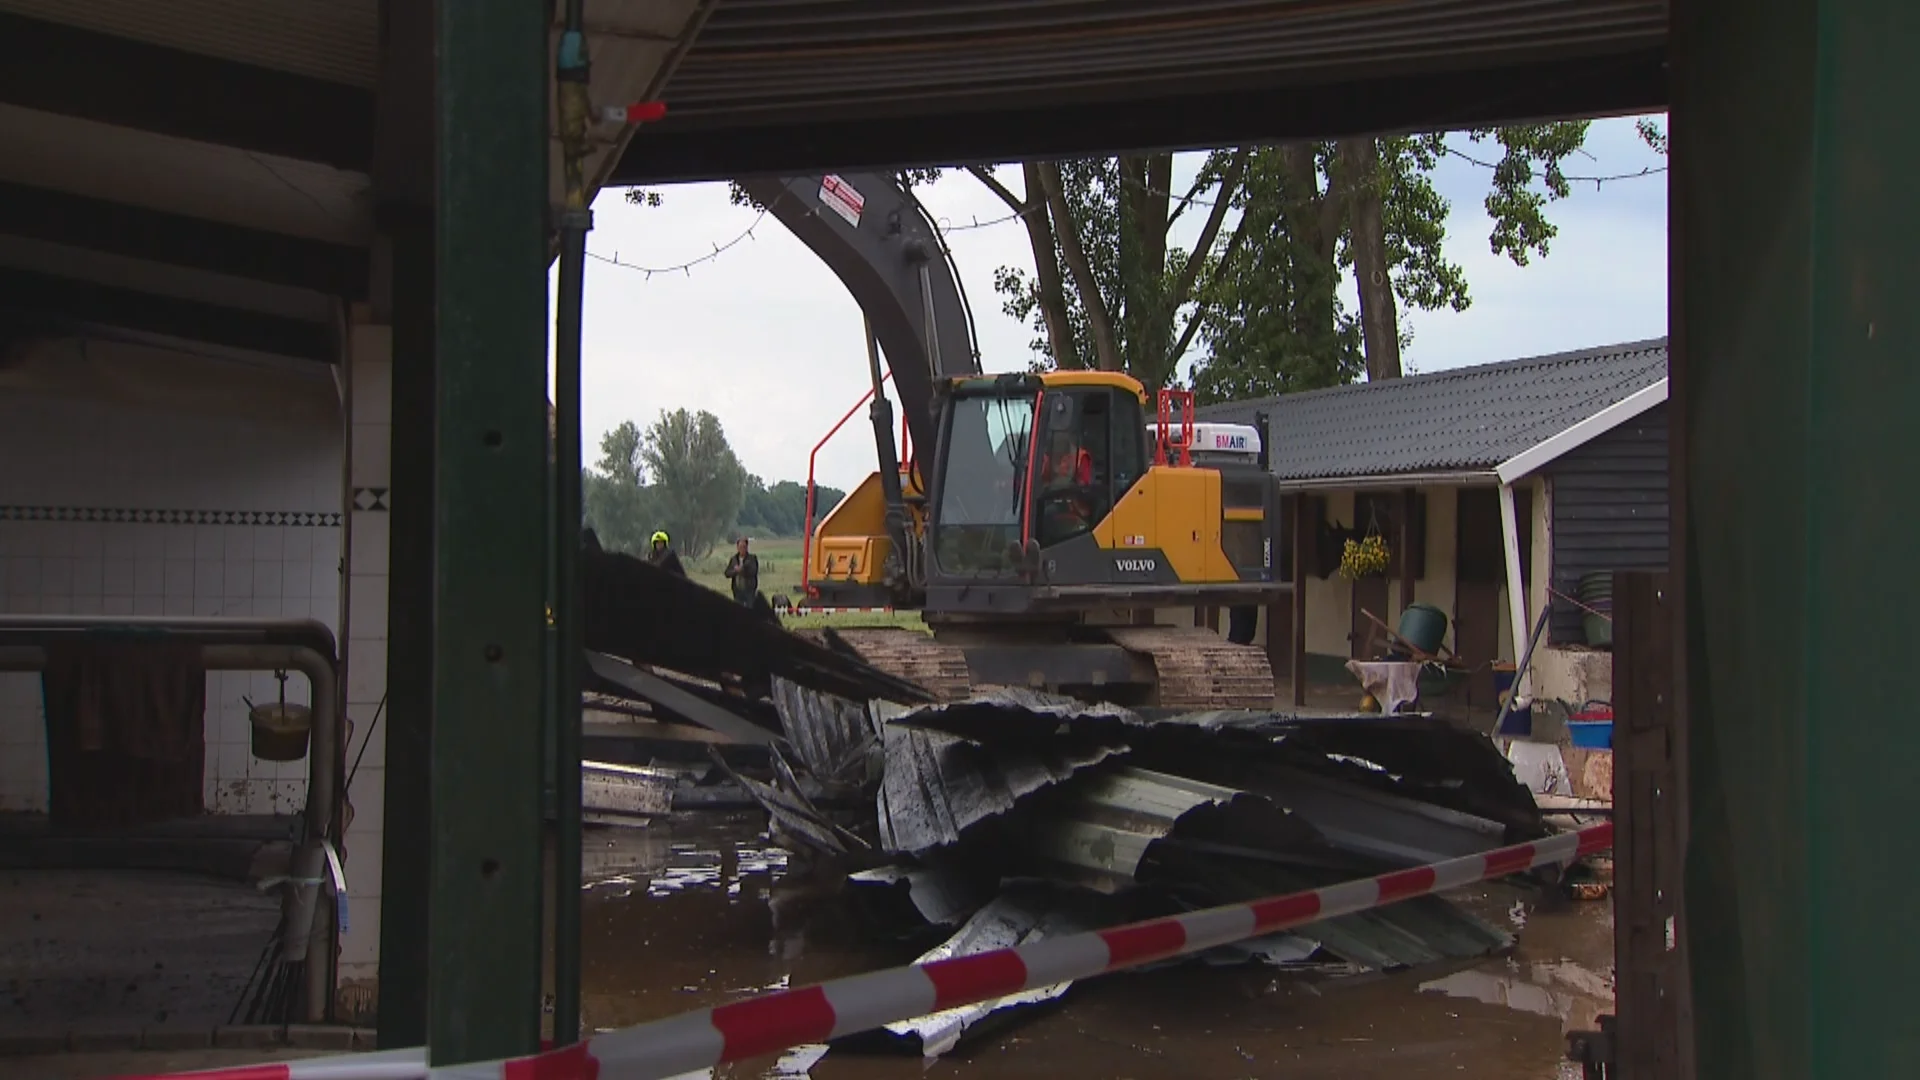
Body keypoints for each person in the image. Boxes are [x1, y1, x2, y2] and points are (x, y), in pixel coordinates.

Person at [724, 536, 760, 606]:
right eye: (740, 547)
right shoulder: (734, 559)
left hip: (749, 591)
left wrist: (742, 570)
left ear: (747, 547)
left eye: (744, 547)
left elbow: (753, 572)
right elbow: (727, 573)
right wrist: (735, 571)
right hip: (737, 591)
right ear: (737, 547)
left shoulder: (752, 558)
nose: (742, 549)